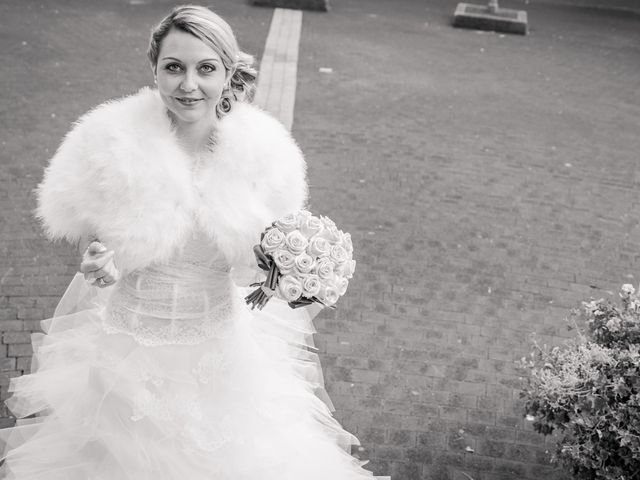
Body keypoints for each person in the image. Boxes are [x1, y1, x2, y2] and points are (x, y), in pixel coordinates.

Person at [0, 5, 374, 480]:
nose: (188, 84)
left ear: (227, 72)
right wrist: (101, 265)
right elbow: (98, 252)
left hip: (219, 352)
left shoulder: (264, 156)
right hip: (129, 351)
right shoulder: (112, 144)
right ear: (155, 68)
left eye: (205, 68)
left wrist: (290, 273)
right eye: (173, 67)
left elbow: (255, 268)